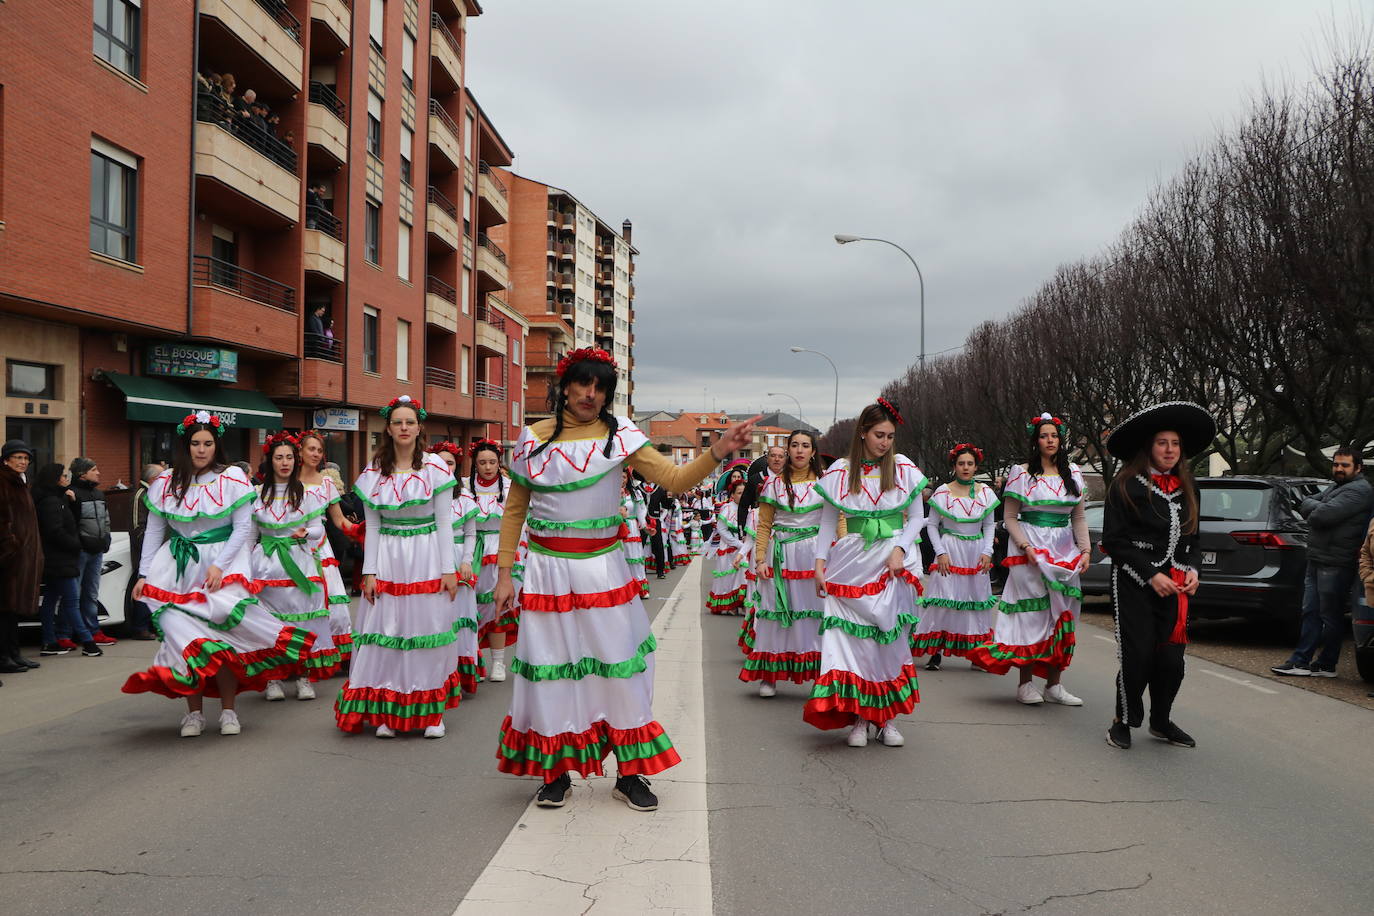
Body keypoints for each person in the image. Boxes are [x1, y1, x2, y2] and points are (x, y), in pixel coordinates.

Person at [490, 347, 757, 811]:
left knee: (619, 667)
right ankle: (555, 773)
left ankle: (629, 774)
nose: (591, 394)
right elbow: (515, 509)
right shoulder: (532, 439)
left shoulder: (620, 438)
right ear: (565, 386)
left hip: (603, 571)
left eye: (600, 387)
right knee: (550, 669)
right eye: (583, 384)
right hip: (548, 573)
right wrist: (504, 572)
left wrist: (717, 451)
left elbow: (674, 480)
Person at [123, 412, 314, 737]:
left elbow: (242, 528)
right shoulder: (166, 483)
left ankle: (228, 712)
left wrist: (220, 566)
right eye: (195, 443)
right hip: (176, 569)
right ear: (186, 445)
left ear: (216, 446)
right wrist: (142, 575)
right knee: (186, 642)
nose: (201, 449)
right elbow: (155, 531)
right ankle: (194, 714)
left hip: (221, 564)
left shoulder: (232, 479)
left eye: (208, 443)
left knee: (220, 640)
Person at [335, 396, 463, 739]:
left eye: (409, 422)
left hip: (425, 556)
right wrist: (370, 571)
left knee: (427, 630)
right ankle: (390, 711)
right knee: (388, 633)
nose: (404, 428)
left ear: (419, 427)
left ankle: (432, 712)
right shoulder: (375, 472)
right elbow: (373, 526)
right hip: (390, 557)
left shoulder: (435, 467)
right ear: (388, 429)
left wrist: (448, 569)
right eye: (397, 422)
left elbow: (444, 522)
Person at [808, 399, 925, 748]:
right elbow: (828, 521)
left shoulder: (903, 468)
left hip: (892, 559)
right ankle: (860, 717)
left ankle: (886, 718)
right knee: (855, 642)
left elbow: (917, 517)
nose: (885, 442)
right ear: (863, 433)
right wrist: (818, 564)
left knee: (889, 640)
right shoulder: (842, 471)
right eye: (879, 435)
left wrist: (900, 548)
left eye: (890, 436)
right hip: (852, 561)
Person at [1100, 402, 1216, 750]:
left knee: (1170, 659)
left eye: (1175, 444)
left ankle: (1161, 720)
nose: (1169, 450)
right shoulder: (1125, 485)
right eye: (1162, 443)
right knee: (1138, 656)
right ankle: (1122, 720)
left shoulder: (1188, 486)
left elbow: (1193, 539)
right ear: (1149, 446)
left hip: (1176, 586)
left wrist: (1193, 569)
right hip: (1134, 583)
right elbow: (1114, 542)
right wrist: (1151, 575)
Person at [968, 413, 1089, 706]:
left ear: (1061, 440)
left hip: (1064, 553)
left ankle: (1054, 685)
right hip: (1029, 552)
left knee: (1061, 615)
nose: (1050, 440)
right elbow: (1009, 517)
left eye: (1055, 436)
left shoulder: (1072, 472)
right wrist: (1025, 546)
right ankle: (1025, 683)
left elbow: (1079, 516)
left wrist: (1085, 550)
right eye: (1044, 436)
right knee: (1030, 614)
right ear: (1036, 441)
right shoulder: (1021, 473)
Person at [1271, 445, 1374, 678]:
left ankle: (1321, 663)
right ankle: (1308, 662)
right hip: (1318, 558)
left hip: (1335, 562)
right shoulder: (1338, 487)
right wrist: (1315, 507)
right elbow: (1307, 502)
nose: (1338, 469)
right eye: (1336, 464)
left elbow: (1320, 515)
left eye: (1344, 465)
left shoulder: (1359, 491)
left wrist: (1314, 508)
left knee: (1329, 615)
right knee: (1312, 612)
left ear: (1358, 468)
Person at [251, 432, 340, 701]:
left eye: (289, 457)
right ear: (271, 460)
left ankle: (303, 676)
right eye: (279, 458)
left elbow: (317, 528)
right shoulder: (257, 495)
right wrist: (240, 570)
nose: (285, 462)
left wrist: (305, 534)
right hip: (266, 566)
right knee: (271, 622)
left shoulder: (304, 494)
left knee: (303, 621)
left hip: (299, 563)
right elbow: (248, 535)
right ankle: (273, 679)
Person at [743, 429, 828, 696]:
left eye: (805, 445)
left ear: (813, 451)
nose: (800, 450)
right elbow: (765, 525)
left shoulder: (826, 483)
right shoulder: (774, 484)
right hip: (780, 558)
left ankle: (819, 675)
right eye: (795, 445)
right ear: (788, 450)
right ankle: (769, 675)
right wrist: (759, 560)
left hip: (814, 556)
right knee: (775, 614)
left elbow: (837, 522)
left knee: (815, 614)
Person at [916, 444, 1000, 670]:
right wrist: (940, 552)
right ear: (954, 466)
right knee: (942, 600)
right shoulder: (942, 492)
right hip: (950, 551)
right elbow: (932, 526)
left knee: (975, 600)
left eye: (970, 464)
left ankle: (977, 653)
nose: (965, 467)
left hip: (976, 551)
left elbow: (990, 525)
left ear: (976, 467)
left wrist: (987, 552)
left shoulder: (986, 493)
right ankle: (935, 652)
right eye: (961, 463)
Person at [298, 432, 357, 667]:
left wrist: (362, 531)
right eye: (311, 449)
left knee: (332, 606)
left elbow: (339, 519)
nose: (315, 454)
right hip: (291, 549)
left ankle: (326, 653)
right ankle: (296, 655)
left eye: (319, 450)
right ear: (300, 451)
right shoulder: (287, 482)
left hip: (320, 549)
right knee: (295, 603)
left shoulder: (326, 483)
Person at [33, 463, 102, 660]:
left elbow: (70, 521)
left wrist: (72, 503)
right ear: (54, 479)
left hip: (58, 558)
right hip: (60, 559)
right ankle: (88, 643)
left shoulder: (57, 498)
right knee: (72, 601)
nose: (66, 478)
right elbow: (55, 531)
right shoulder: (50, 502)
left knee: (51, 600)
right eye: (63, 475)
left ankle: (49, 641)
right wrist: (75, 545)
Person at [430, 441, 482, 693]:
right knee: (439, 619)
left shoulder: (465, 499)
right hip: (432, 560)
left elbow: (471, 534)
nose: (444, 467)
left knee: (461, 618)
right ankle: (440, 674)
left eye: (449, 463)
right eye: (439, 462)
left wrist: (466, 561)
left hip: (459, 560)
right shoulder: (424, 496)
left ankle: (462, 674)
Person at [469, 438, 517, 681]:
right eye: (482, 463)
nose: (487, 467)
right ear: (474, 465)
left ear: (499, 463)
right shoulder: (464, 488)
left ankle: (498, 662)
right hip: (471, 548)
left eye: (492, 462)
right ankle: (472, 660)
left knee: (497, 606)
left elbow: (521, 522)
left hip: (500, 548)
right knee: (469, 608)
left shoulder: (510, 487)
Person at [0, 441, 43, 679]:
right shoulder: (3, 481)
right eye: (17, 458)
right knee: (5, 610)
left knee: (13, 609)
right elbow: (3, 520)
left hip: (21, 559)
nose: (23, 462)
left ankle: (13, 653)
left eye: (26, 458)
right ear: (6, 460)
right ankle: (4, 656)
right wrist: (11, 549)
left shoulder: (21, 482)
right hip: (9, 560)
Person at [64, 457, 116, 647]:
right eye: (94, 470)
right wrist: (77, 544)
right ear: (82, 473)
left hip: (97, 550)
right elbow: (70, 523)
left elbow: (106, 520)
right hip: (81, 551)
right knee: (73, 594)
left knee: (91, 593)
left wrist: (106, 538)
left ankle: (92, 630)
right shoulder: (71, 494)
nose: (98, 472)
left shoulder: (100, 494)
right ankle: (66, 633)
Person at [124, 463, 166, 640]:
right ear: (153, 479)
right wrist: (149, 548)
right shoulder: (141, 495)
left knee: (157, 588)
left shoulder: (158, 495)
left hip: (160, 551)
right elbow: (137, 525)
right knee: (144, 587)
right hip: (145, 552)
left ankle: (153, 624)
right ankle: (140, 626)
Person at [708, 479, 751, 615]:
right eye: (739, 493)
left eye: (744, 493)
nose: (742, 496)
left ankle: (741, 603)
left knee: (744, 575)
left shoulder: (749, 509)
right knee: (728, 576)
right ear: (732, 495)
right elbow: (722, 530)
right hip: (729, 547)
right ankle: (729, 604)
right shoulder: (727, 508)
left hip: (744, 547)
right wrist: (738, 544)